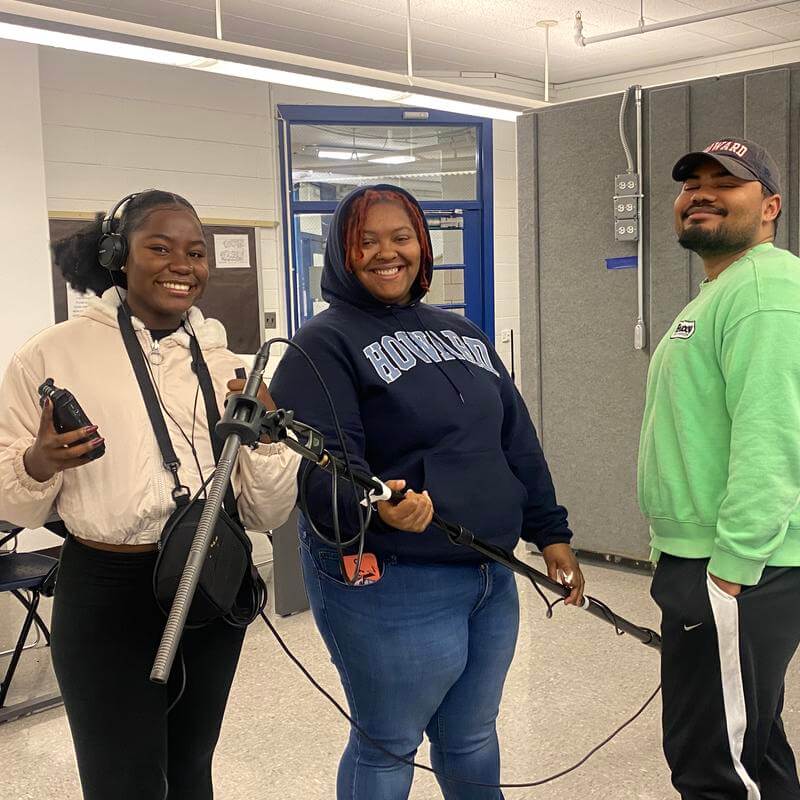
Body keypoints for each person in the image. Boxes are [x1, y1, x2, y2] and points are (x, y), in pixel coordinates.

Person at [270, 184, 584, 800]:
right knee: (389, 743)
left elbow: (515, 440)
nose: (387, 253)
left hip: (491, 574)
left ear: (423, 245)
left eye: (401, 237)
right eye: (366, 241)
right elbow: (323, 468)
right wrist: (379, 504)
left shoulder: (461, 330)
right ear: (341, 253)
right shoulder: (322, 343)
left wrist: (551, 533)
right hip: (394, 581)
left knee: (471, 736)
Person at [0, 190, 299, 800]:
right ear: (118, 256)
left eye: (195, 252)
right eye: (159, 248)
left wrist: (268, 446)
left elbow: (267, 512)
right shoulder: (51, 354)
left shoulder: (224, 363)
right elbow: (17, 505)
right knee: (122, 783)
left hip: (209, 576)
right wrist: (36, 462)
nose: (182, 265)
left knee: (192, 771)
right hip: (107, 588)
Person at [639, 138, 800, 799]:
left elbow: (775, 437)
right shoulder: (727, 288)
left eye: (725, 182)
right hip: (707, 560)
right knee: (750, 746)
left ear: (770, 207)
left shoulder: (764, 288)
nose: (701, 192)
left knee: (712, 765)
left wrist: (733, 568)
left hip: (734, 565)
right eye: (690, 183)